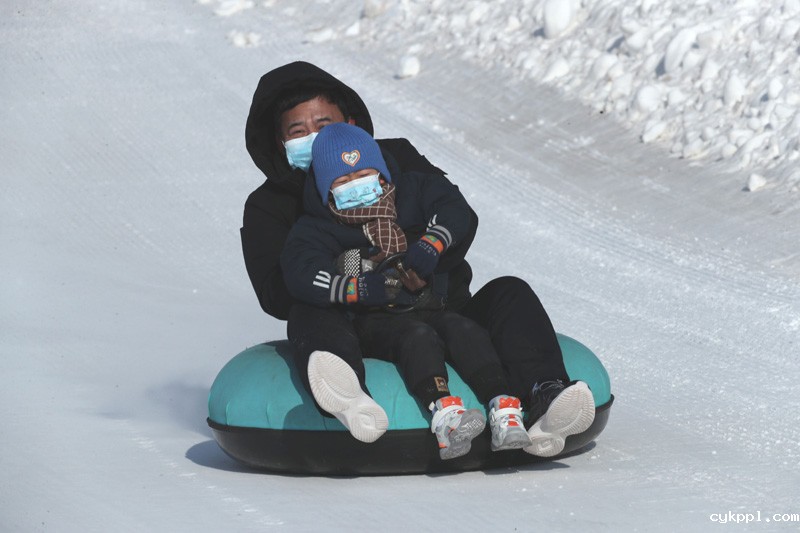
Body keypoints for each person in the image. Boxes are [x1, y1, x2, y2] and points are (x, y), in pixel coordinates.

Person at [241, 61, 595, 458]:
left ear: (351, 124)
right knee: (309, 311)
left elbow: (455, 213)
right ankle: (348, 393)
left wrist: (423, 254)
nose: (315, 139)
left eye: (323, 126)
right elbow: (278, 290)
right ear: (279, 143)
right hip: (358, 322)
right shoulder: (269, 207)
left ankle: (544, 394)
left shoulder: (395, 160)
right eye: (298, 132)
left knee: (510, 292)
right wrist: (363, 270)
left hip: (442, 304)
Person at [280, 122, 533, 459]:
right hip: (375, 320)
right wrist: (355, 288)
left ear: (382, 175)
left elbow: (455, 209)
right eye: (342, 182)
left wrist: (432, 243)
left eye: (364, 175)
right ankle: (444, 412)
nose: (356, 186)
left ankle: (503, 405)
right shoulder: (319, 226)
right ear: (327, 191)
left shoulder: (411, 192)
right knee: (417, 336)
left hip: (431, 305)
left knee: (464, 329)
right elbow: (300, 270)